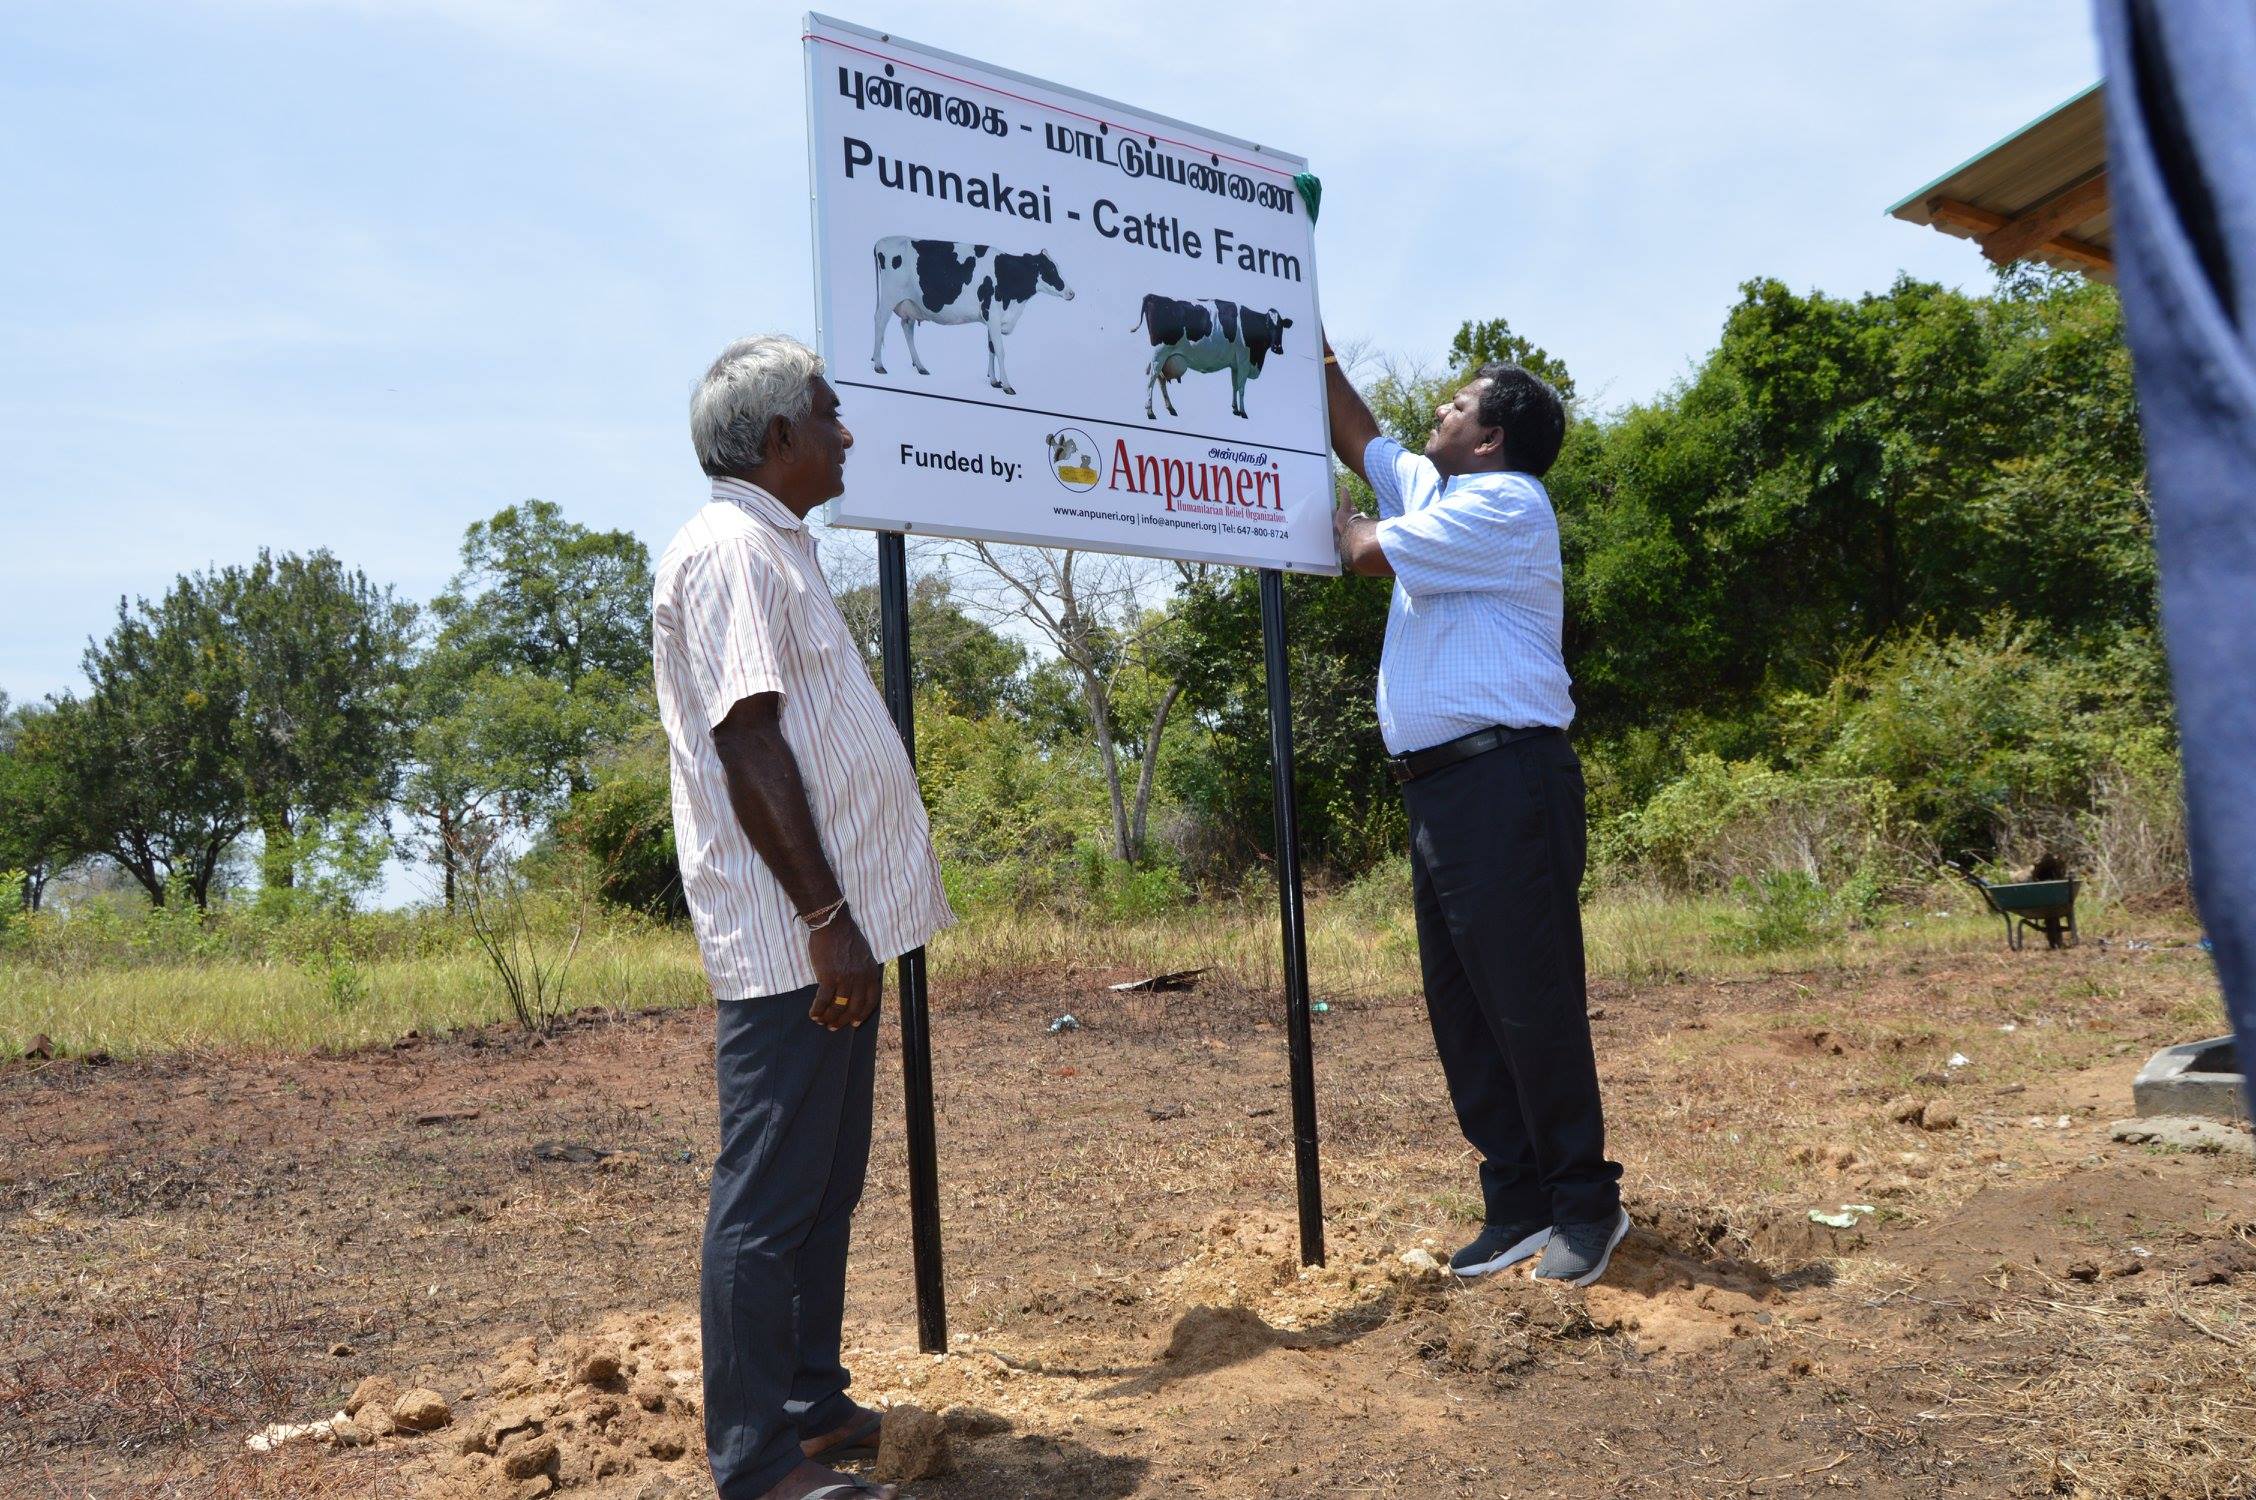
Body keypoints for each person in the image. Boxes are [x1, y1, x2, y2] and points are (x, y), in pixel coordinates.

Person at [654, 334, 952, 1500]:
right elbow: (747, 738)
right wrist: (826, 915)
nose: (846, 434)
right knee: (769, 1197)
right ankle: (758, 1464)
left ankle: (807, 1406)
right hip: (795, 939)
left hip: (833, 931)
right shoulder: (730, 549)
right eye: (829, 416)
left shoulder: (775, 547)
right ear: (776, 437)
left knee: (824, 1184)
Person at [1323, 336, 1628, 1286]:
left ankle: (1586, 1203)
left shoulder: (1506, 502)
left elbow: (1363, 549)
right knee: (1463, 1008)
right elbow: (1363, 439)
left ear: (1492, 437)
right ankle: (1518, 1203)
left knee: (1529, 1001)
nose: (1438, 415)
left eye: (1456, 407)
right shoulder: (1441, 491)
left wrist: (1292, 515)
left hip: (1507, 781)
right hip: (1443, 789)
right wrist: (1313, 350)